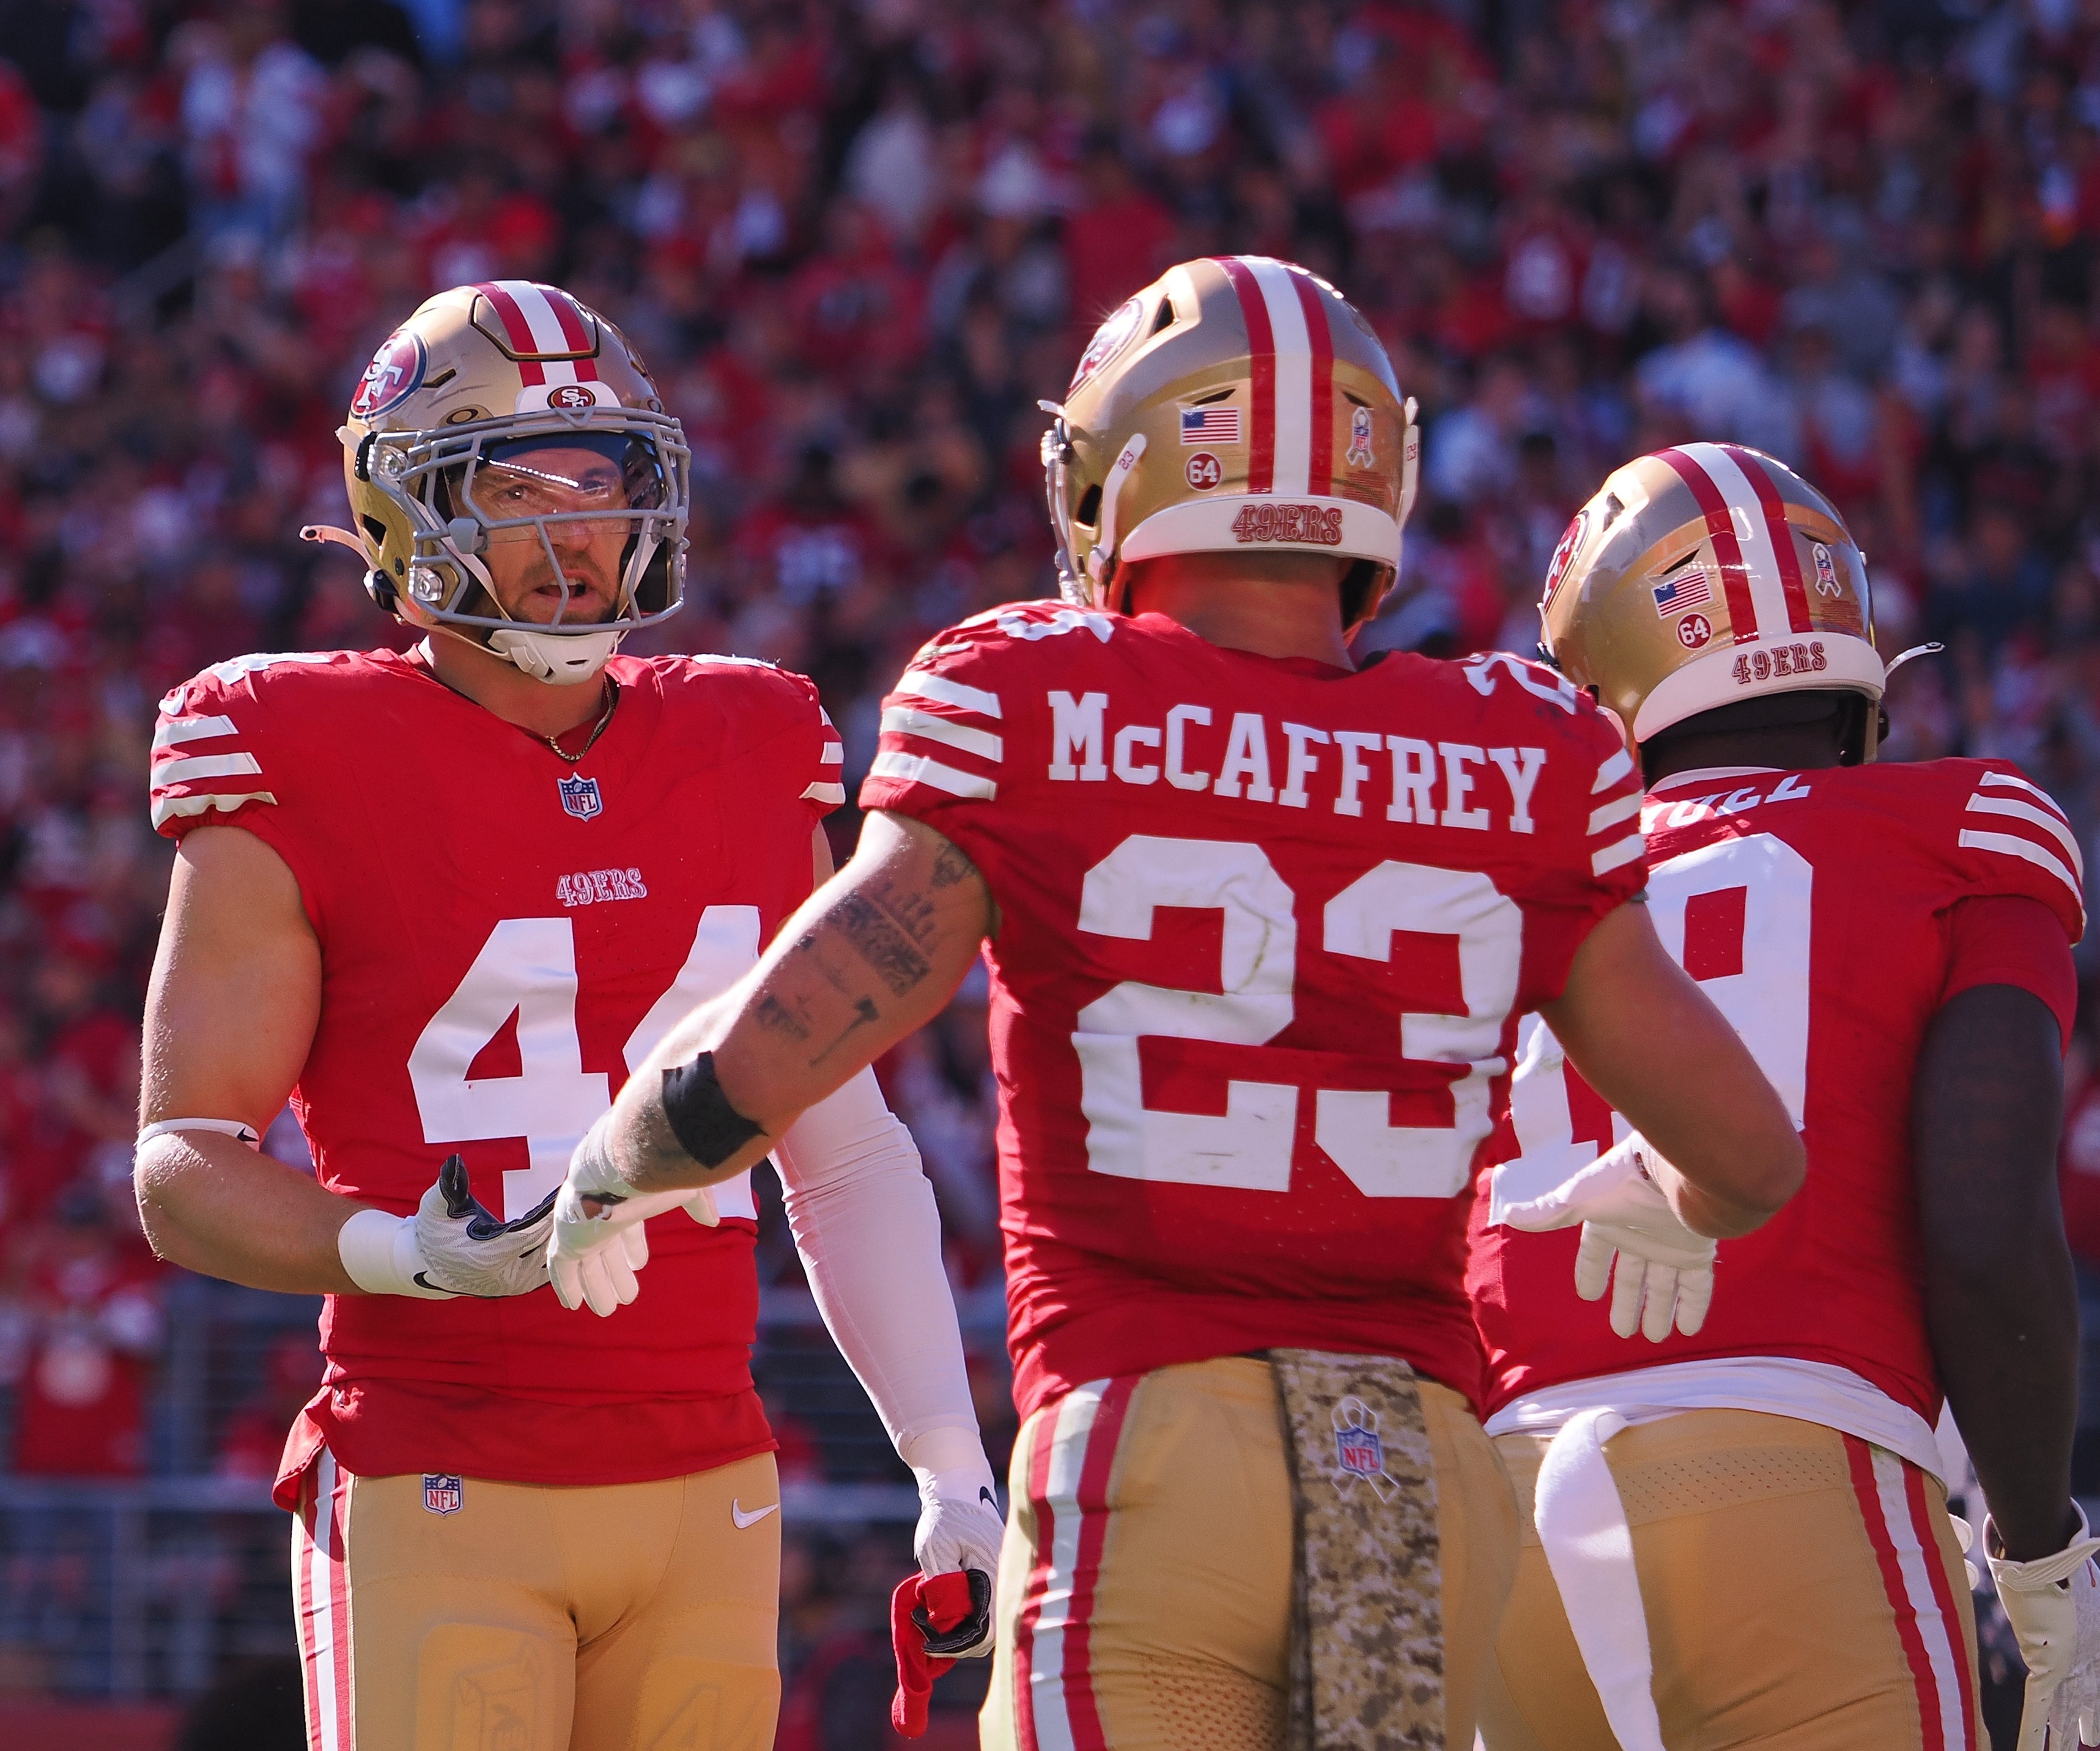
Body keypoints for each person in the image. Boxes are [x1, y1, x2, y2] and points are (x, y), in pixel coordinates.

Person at [556, 256, 1804, 1750]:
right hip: (1415, 1467)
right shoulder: (1518, 748)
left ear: (1124, 467)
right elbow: (1748, 1158)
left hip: (1150, 1443)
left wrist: (613, 1166)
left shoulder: (1033, 696)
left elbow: (763, 1061)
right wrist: (1671, 1193)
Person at [131, 281, 997, 1751]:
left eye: (601, 484)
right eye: (516, 490)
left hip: (709, 1474)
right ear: (406, 511)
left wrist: (950, 1463)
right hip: (437, 1467)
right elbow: (181, 1165)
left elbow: (839, 1145)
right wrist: (405, 1251)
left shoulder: (748, 733)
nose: (573, 534)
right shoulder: (291, 742)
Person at [1471, 443, 2096, 1751]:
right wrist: (2042, 1565)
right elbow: (1982, 1221)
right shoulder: (1962, 823)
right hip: (1801, 1477)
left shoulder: (1502, 881)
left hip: (1503, 1516)